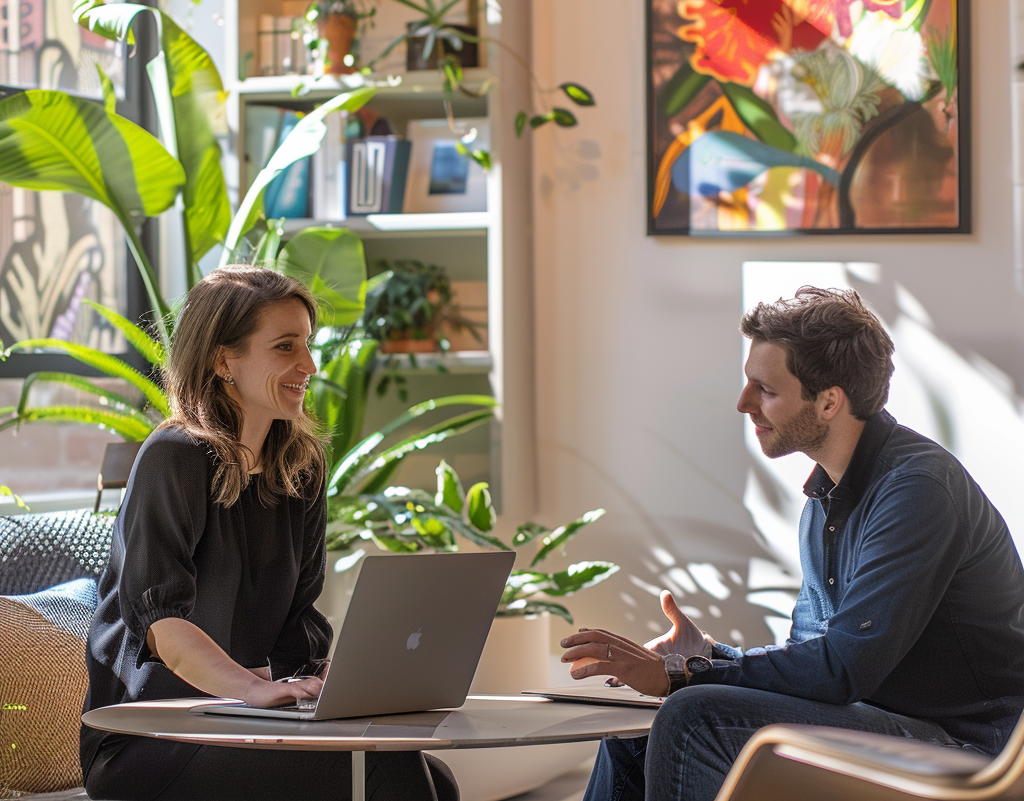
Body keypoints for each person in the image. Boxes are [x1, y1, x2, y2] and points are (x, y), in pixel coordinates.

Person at [562, 286, 1024, 801]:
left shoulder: (918, 489)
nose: (743, 404)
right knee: (635, 732)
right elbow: (814, 658)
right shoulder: (824, 498)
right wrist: (710, 654)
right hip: (883, 718)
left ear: (829, 400)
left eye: (765, 389)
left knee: (692, 715)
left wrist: (684, 676)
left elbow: (843, 671)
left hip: (966, 745)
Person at [81, 265, 459, 801]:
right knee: (390, 778)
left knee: (434, 782)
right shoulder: (175, 457)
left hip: (240, 719)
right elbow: (162, 625)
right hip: (152, 739)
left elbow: (295, 620)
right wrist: (254, 690)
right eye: (285, 347)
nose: (308, 365)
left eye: (308, 345)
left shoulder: (299, 469)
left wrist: (333, 678)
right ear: (223, 360)